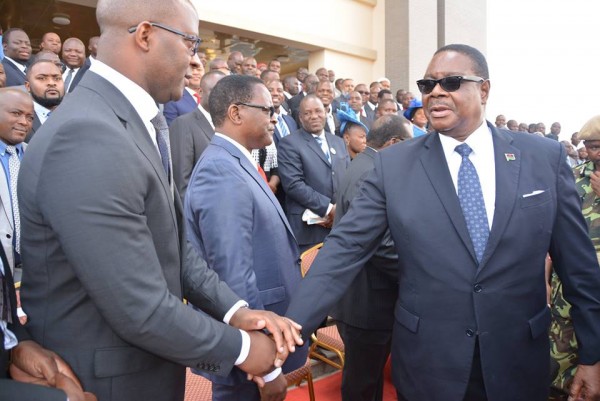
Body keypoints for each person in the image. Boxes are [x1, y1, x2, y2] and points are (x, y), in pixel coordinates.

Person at [18, 1, 302, 400]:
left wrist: (235, 310)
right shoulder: (87, 134)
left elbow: (175, 247)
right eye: (191, 42)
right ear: (146, 35)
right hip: (102, 384)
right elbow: (139, 307)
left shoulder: (136, 121)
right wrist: (243, 349)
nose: (195, 58)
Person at [285, 43, 600, 401]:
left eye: (451, 81)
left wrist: (594, 353)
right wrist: (286, 334)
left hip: (518, 361)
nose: (435, 91)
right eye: (427, 84)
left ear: (484, 89)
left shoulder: (544, 157)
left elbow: (579, 266)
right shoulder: (393, 166)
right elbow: (344, 249)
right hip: (429, 367)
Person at [184, 75, 307, 401]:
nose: (275, 117)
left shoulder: (236, 162)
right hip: (249, 352)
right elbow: (232, 272)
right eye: (268, 109)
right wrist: (267, 368)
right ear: (236, 113)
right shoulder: (221, 170)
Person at [0, 88, 95, 401]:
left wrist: (19, 344)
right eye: (15, 113)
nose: (24, 122)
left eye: (29, 116)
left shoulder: (35, 154)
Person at [332, 114, 411, 401]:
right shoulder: (369, 172)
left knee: (369, 378)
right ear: (394, 143)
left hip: (368, 297)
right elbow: (380, 245)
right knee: (362, 384)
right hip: (366, 302)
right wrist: (418, 273)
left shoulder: (367, 164)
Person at [549, 115, 600, 401]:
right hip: (570, 295)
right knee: (561, 370)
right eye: (593, 147)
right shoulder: (573, 177)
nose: (599, 153)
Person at [277, 94, 349, 251]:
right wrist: (329, 209)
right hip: (309, 231)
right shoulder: (288, 144)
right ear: (300, 118)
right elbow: (293, 185)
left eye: (318, 111)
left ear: (325, 112)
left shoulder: (338, 142)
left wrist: (340, 209)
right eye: (307, 113)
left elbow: (348, 179)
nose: (314, 116)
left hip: (339, 226)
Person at [169, 70, 225, 201]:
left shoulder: (229, 127)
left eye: (226, 93)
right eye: (215, 91)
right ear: (200, 92)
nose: (222, 97)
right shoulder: (183, 124)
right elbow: (181, 183)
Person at [25, 59, 65, 142]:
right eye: (42, 78)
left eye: (57, 78)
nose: (51, 83)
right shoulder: (18, 117)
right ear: (28, 86)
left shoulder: (75, 114)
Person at [163, 53, 204, 125]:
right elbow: (172, 130)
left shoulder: (211, 95)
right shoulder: (174, 98)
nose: (195, 73)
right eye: (192, 69)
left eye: (199, 69)